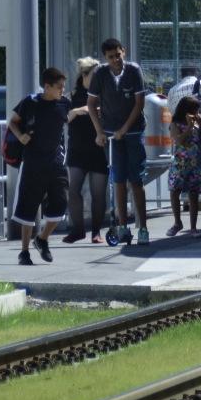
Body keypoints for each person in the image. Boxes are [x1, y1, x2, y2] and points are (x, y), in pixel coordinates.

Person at [87, 38, 151, 246]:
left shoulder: (133, 71)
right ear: (105, 58)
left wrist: (124, 129)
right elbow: (91, 103)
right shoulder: (100, 74)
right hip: (110, 134)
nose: (116, 59)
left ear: (123, 52)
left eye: (118, 54)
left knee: (137, 180)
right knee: (119, 180)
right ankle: (123, 227)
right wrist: (99, 132)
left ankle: (142, 227)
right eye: (111, 57)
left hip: (132, 132)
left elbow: (139, 103)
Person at [8, 67, 72, 265]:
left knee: (61, 203)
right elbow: (13, 122)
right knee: (28, 208)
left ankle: (42, 239)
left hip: (56, 161)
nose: (62, 90)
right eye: (59, 87)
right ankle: (24, 252)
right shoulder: (31, 102)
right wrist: (21, 136)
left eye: (63, 87)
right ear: (46, 86)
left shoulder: (65, 103)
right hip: (33, 162)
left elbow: (66, 120)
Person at [63, 57, 108, 243]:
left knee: (98, 193)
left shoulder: (103, 95)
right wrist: (76, 111)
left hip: (99, 149)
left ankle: (96, 232)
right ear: (84, 75)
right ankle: (78, 229)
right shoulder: (70, 96)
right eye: (94, 76)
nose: (98, 80)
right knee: (73, 189)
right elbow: (61, 119)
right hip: (77, 149)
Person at [166, 96, 201, 238]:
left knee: (193, 194)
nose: (195, 113)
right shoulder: (175, 124)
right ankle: (177, 222)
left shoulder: (198, 124)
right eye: (194, 110)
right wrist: (189, 126)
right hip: (180, 165)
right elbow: (180, 140)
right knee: (174, 191)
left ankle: (193, 228)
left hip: (195, 164)